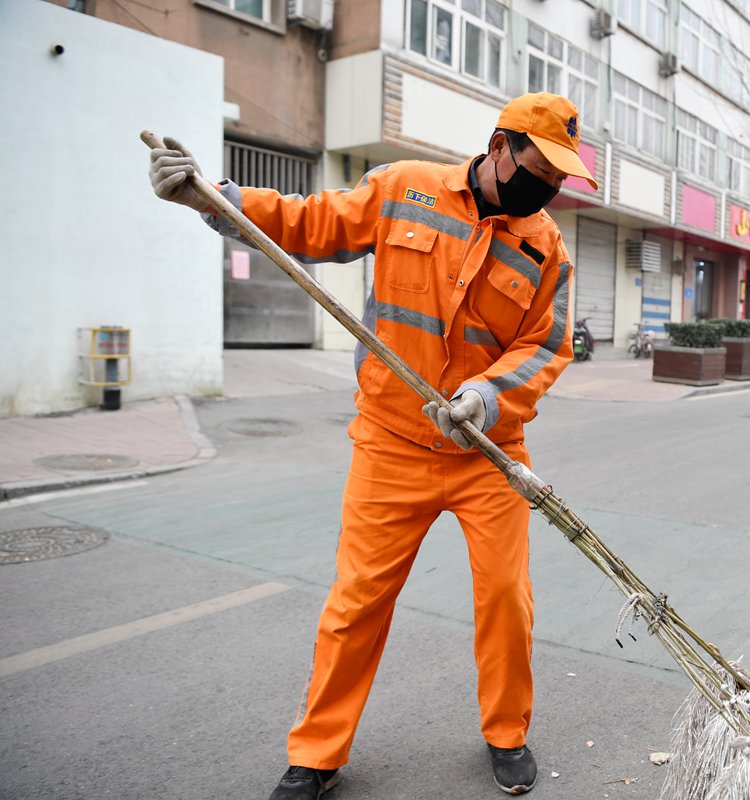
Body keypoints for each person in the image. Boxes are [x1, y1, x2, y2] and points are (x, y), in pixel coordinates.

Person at [149, 92, 597, 799]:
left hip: (488, 452)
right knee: (356, 602)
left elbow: (547, 345)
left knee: (508, 599)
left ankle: (507, 732)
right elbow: (309, 223)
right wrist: (214, 198)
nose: (550, 186)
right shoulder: (404, 189)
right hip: (391, 442)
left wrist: (486, 394)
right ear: (501, 147)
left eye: (562, 177)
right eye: (543, 167)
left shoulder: (547, 247)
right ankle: (317, 753)